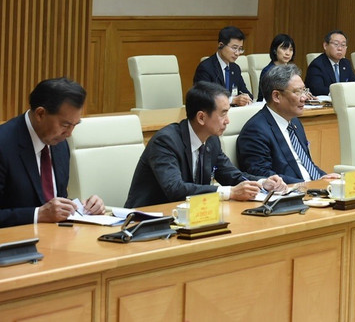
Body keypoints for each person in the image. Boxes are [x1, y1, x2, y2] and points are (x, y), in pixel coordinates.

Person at [125, 81, 287, 208]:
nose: (228, 121)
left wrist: (262, 183)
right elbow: (175, 189)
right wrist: (230, 193)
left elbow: (232, 176)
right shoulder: (165, 141)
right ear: (201, 117)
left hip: (191, 216)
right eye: (223, 113)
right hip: (146, 220)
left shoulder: (211, 140)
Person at [0, 78, 105, 228]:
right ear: (40, 114)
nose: (69, 134)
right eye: (65, 125)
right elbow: (44, 210)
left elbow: (55, 200)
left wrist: (83, 208)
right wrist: (38, 214)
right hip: (15, 246)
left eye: (75, 125)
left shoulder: (60, 144)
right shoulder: (3, 145)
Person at [238, 65, 339, 185]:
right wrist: (308, 185)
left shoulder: (295, 122)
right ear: (276, 96)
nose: (304, 97)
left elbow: (306, 164)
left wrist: (324, 177)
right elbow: (263, 175)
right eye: (297, 92)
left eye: (304, 90)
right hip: (288, 196)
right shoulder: (255, 131)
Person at [193, 25, 253, 106]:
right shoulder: (206, 68)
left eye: (240, 49)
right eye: (234, 48)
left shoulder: (235, 68)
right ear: (221, 45)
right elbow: (203, 98)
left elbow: (245, 92)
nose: (237, 53)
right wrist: (232, 100)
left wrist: (246, 97)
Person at [305, 30, 355, 96]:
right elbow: (317, 89)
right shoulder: (317, 65)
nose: (340, 48)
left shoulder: (346, 63)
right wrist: (340, 93)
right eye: (336, 44)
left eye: (343, 45)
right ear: (325, 45)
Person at [256, 33, 296, 102]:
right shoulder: (268, 71)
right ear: (274, 50)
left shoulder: (292, 70)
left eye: (291, 50)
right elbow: (270, 97)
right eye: (284, 49)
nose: (288, 53)